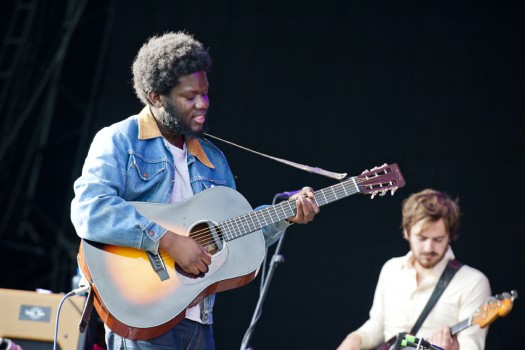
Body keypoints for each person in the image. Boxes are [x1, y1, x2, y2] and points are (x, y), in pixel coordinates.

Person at [70, 31, 320, 349]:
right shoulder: (121, 139)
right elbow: (90, 209)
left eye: (205, 94)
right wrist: (169, 240)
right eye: (190, 97)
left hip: (200, 322)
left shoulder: (214, 159)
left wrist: (286, 215)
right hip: (144, 316)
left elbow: (237, 234)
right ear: (156, 96)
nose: (202, 104)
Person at [337, 189, 491, 350]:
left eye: (438, 239)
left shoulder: (473, 282)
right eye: (421, 238)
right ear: (406, 232)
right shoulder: (392, 269)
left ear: (450, 236)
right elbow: (379, 324)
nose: (429, 248)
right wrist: (356, 339)